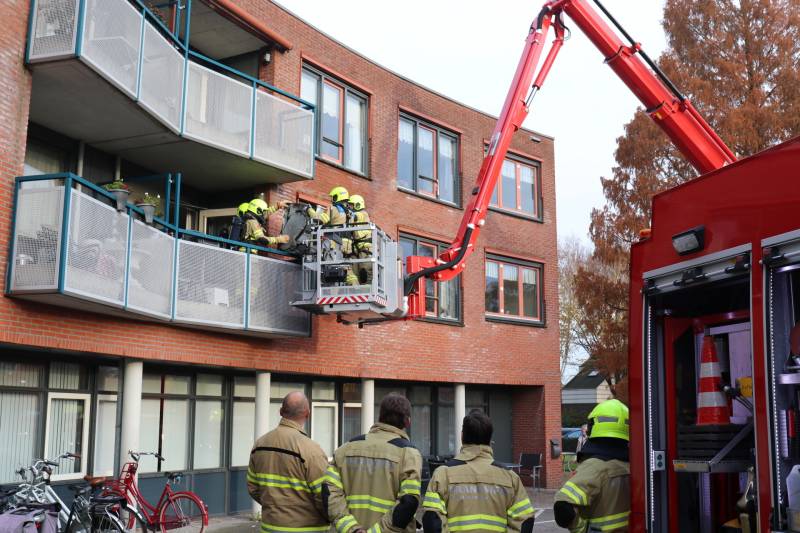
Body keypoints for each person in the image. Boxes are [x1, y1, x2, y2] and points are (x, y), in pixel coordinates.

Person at [422, 410, 535, 533]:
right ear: (490, 439)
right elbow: (525, 520)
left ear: (461, 436)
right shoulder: (510, 477)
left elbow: (432, 521)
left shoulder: (442, 474)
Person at [326, 393, 422, 533]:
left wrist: (351, 528)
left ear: (380, 417)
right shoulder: (409, 454)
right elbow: (408, 503)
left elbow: (329, 494)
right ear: (407, 422)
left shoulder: (344, 449)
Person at [247, 391, 330, 533]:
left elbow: (253, 487)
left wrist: (275, 507)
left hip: (269, 528)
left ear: (280, 412)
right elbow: (324, 497)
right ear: (307, 414)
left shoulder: (259, 445)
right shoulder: (311, 450)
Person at [554, 399, 630, 533]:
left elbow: (562, 508)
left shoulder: (593, 467)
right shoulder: (635, 467)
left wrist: (582, 528)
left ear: (593, 426)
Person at [345, 194, 372, 286]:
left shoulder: (363, 214)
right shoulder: (353, 219)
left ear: (357, 205)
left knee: (364, 271)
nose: (349, 207)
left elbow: (357, 216)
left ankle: (368, 290)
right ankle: (356, 289)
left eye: (351, 205)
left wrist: (348, 213)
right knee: (353, 271)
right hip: (356, 249)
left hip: (366, 249)